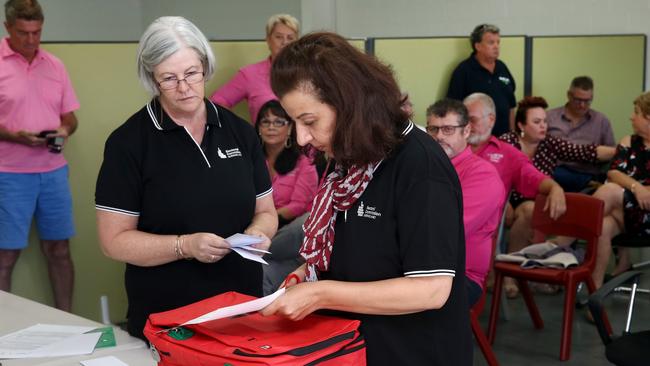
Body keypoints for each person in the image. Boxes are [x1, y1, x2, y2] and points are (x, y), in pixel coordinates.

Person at [261, 32, 472, 365]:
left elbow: (431, 288)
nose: (302, 137)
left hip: (411, 351)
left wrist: (320, 293)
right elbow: (352, 248)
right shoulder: (346, 155)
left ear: (349, 103)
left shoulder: (420, 164)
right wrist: (308, 273)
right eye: (295, 122)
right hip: (352, 346)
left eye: (309, 121)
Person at [94, 16, 277, 341]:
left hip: (241, 312)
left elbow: (266, 210)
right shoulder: (129, 143)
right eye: (169, 78)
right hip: (168, 319)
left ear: (205, 67)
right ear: (152, 78)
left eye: (192, 73)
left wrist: (259, 233)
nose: (183, 87)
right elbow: (114, 242)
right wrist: (184, 246)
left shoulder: (240, 133)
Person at [0, 0, 79, 312]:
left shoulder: (55, 65)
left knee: (59, 250)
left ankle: (68, 321)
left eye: (36, 33)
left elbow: (71, 118)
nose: (31, 40)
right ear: (8, 28)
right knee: (6, 255)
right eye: (23, 33)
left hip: (53, 172)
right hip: (9, 173)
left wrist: (64, 131)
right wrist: (13, 135)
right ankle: (3, 331)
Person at [463, 93, 567, 298]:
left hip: (477, 237)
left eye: (473, 119)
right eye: (464, 119)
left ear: (491, 119)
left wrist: (556, 188)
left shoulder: (507, 154)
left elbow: (536, 179)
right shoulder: (453, 147)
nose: (468, 125)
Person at [425, 98, 505, 307]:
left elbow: (446, 231)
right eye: (433, 129)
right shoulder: (422, 168)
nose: (439, 136)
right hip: (419, 269)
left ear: (466, 131)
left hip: (460, 276)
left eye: (448, 129)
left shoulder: (482, 175)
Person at [580, 91, 650, 289]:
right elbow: (613, 172)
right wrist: (637, 188)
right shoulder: (629, 140)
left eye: (636, 112)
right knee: (602, 227)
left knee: (610, 191)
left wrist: (642, 191)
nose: (631, 116)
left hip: (647, 215)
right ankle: (595, 293)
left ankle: (564, 241)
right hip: (628, 212)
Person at [500, 96, 616, 209]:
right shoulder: (507, 142)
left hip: (537, 203)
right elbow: (493, 178)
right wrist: (503, 205)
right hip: (507, 202)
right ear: (521, 126)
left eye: (545, 121)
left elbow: (584, 151)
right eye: (536, 122)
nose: (543, 126)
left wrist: (620, 150)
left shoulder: (549, 142)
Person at [255, 99, 318, 295]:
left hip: (288, 229)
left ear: (290, 128)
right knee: (262, 272)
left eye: (278, 122)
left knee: (305, 222)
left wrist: (267, 217)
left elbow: (297, 206)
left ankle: (252, 250)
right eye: (265, 122)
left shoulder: (304, 161)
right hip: (255, 227)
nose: (271, 127)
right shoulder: (251, 158)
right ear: (258, 128)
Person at [210, 14, 299, 123]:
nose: (284, 42)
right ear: (268, 40)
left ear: (297, 42)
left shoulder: (308, 73)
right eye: (279, 37)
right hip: (261, 139)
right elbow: (216, 102)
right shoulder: (250, 74)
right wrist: (240, 129)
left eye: (290, 38)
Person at [547, 76, 616, 192]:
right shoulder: (550, 117)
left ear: (592, 97)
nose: (582, 105)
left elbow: (611, 154)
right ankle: (585, 182)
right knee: (546, 171)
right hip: (556, 172)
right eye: (578, 100)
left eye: (587, 101)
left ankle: (586, 182)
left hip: (587, 170)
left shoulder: (601, 121)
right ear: (569, 95)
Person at [447, 23, 516, 137]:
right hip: (476, 139)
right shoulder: (463, 71)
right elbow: (454, 109)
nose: (496, 46)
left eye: (498, 42)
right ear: (477, 46)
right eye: (491, 42)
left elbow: (511, 105)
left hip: (504, 138)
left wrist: (512, 134)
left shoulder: (502, 67)